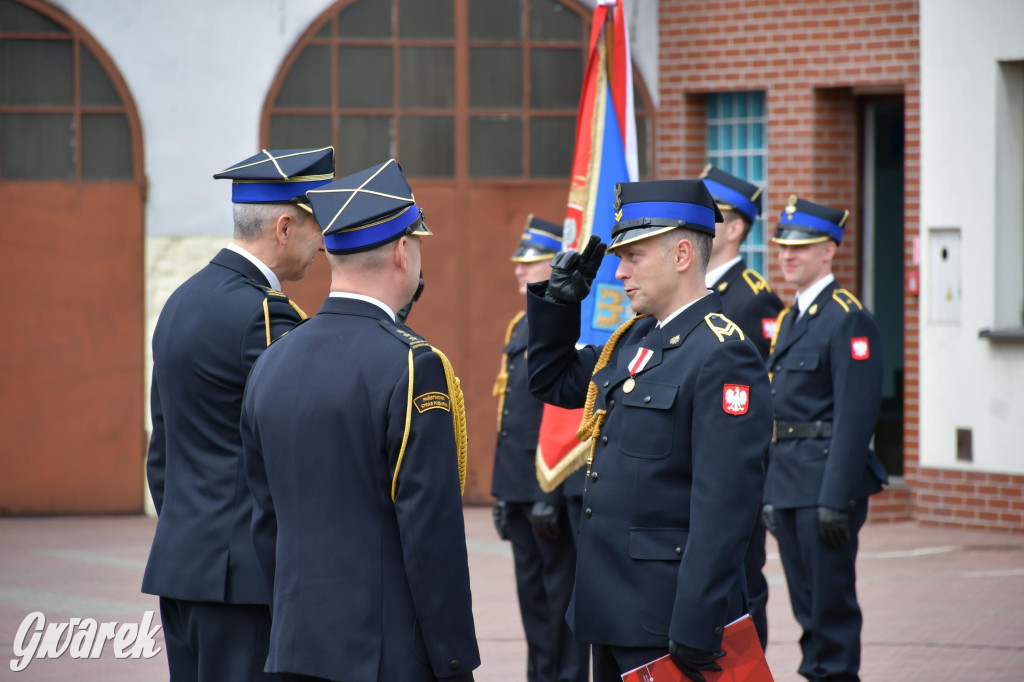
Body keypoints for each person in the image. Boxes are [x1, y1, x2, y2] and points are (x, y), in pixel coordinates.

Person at [240, 159, 479, 682]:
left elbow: (265, 521)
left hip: (294, 649)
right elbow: (430, 535)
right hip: (385, 656)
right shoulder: (414, 364)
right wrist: (455, 659)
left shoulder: (272, 361)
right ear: (402, 251)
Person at [526, 179, 772, 682]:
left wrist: (697, 619)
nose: (619, 273)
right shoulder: (635, 338)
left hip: (668, 618)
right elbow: (551, 381)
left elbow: (724, 505)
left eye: (633, 256)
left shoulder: (722, 352)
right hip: (612, 608)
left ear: (682, 254)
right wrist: (560, 303)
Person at [142, 146, 335, 681]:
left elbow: (166, 450)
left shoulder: (182, 300)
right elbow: (298, 442)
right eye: (316, 227)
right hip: (243, 581)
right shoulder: (264, 314)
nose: (322, 246)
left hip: (184, 567)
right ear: (283, 226)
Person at [762, 195, 888, 682]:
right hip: (791, 483)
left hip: (824, 487)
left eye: (801, 247)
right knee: (807, 612)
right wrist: (772, 490)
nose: (788, 256)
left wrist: (834, 498)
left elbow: (856, 416)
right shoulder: (792, 317)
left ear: (829, 251)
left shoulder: (847, 317)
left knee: (831, 613)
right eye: (782, 248)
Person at [492, 215, 588, 682]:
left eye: (528, 261)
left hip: (545, 483)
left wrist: (549, 492)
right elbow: (510, 415)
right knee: (533, 603)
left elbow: (566, 413)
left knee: (558, 600)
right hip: (518, 485)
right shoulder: (520, 324)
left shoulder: (567, 323)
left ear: (553, 265)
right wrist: (503, 491)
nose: (517, 269)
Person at [700, 164, 783, 651]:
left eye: (710, 215)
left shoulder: (753, 300)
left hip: (733, 473)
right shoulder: (689, 292)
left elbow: (756, 401)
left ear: (734, 229)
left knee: (742, 594)